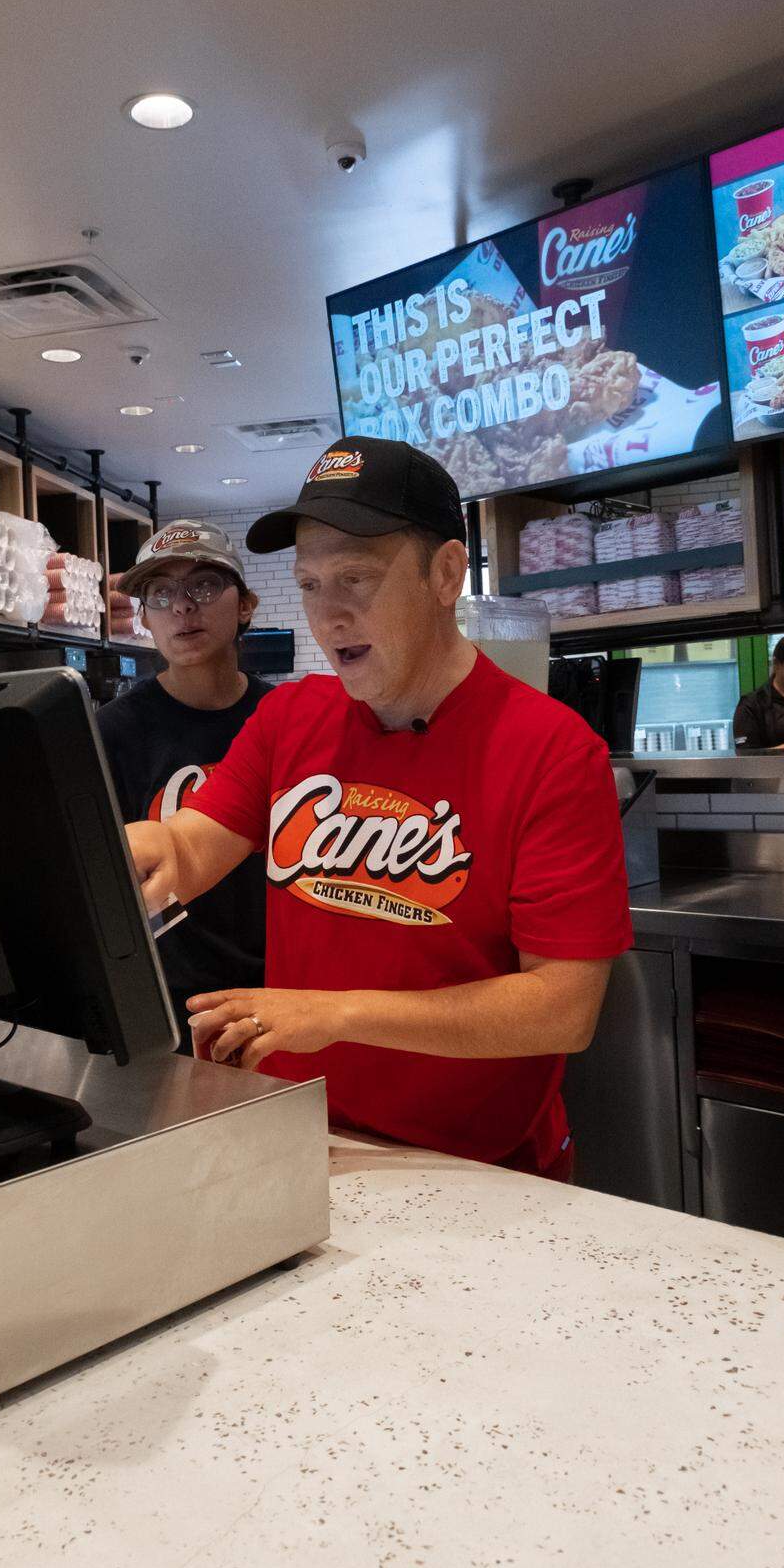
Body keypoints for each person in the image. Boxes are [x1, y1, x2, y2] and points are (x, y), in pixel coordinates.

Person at [124, 439, 631, 1179]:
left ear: (446, 574)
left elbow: (563, 1006)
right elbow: (192, 846)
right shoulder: (289, 718)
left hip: (479, 1169)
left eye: (356, 579)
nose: (329, 616)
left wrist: (337, 1014)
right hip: (304, 1143)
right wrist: (137, 853)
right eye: (309, 585)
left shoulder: (553, 750)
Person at [97, 520, 271, 1050]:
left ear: (245, 604)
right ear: (145, 618)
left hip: (279, 987)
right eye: (161, 593)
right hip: (171, 994)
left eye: (203, 585)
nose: (182, 607)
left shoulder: (282, 719)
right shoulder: (113, 730)